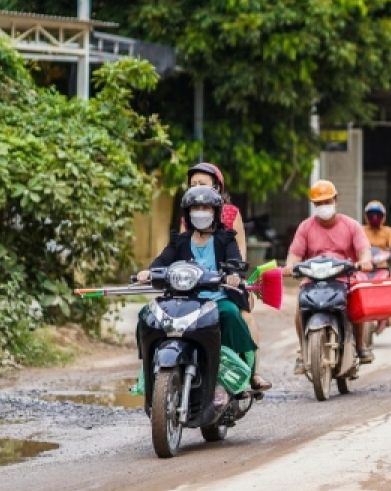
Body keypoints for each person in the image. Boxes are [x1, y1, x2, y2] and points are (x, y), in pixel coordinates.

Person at [137, 185, 257, 380]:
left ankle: (237, 371)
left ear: (215, 212)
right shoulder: (180, 240)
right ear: (188, 212)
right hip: (184, 300)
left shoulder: (225, 239)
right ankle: (148, 370)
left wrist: (233, 274)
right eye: (195, 208)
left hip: (216, 299)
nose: (200, 212)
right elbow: (163, 260)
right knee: (147, 315)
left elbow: (234, 261)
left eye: (206, 208)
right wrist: (149, 272)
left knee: (231, 314)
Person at [183, 162, 270, 391]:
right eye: (192, 184)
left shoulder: (231, 214)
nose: (197, 188)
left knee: (243, 316)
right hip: (194, 286)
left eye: (203, 184)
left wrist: (232, 274)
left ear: (217, 187)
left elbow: (239, 254)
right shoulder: (188, 216)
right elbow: (180, 253)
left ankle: (254, 372)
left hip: (225, 283)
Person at [284, 180, 375, 370]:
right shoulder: (305, 227)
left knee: (356, 306)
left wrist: (365, 260)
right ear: (313, 205)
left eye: (327, 201)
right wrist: (290, 266)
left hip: (344, 278)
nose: (323, 206)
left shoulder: (351, 225)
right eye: (319, 203)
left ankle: (360, 346)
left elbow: (363, 250)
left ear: (335, 200)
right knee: (300, 310)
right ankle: (303, 352)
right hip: (313, 279)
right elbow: (294, 255)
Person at [362, 200, 391, 334]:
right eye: (371, 214)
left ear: (384, 217)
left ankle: (389, 314)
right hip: (364, 266)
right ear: (366, 216)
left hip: (382, 267)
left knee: (390, 287)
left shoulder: (388, 231)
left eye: (378, 214)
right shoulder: (360, 229)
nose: (374, 217)